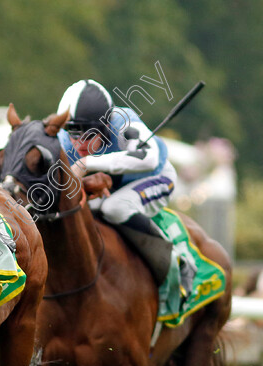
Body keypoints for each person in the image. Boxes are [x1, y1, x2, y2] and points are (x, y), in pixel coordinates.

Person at [56, 79, 195, 293]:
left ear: (105, 127)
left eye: (87, 133)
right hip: (114, 189)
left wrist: (87, 163)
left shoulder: (123, 122)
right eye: (72, 132)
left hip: (156, 178)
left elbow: (149, 158)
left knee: (114, 208)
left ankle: (178, 258)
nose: (79, 142)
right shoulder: (62, 140)